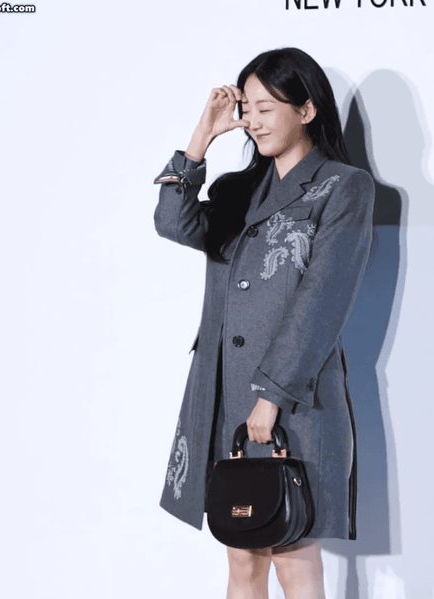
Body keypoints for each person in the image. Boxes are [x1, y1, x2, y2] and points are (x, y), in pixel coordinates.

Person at [153, 47, 375, 599]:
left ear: (306, 110)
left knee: (294, 561)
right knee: (242, 559)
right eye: (245, 109)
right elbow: (171, 223)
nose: (252, 121)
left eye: (265, 108)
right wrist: (200, 139)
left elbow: (323, 301)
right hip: (225, 396)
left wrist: (271, 396)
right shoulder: (237, 191)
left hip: (293, 398)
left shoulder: (342, 187)